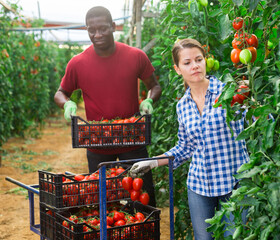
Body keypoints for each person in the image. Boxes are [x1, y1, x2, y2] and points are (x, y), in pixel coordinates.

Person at [129, 38, 248, 239]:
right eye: (187, 63)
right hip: (200, 185)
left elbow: (259, 120)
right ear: (178, 69)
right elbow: (184, 148)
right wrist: (153, 162)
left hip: (235, 182)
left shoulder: (230, 92)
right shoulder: (182, 106)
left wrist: (253, 99)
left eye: (198, 59)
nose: (195, 66)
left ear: (205, 61)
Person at [54, 6, 161, 207]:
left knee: (142, 197)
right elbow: (60, 92)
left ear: (113, 26)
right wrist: (67, 103)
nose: (97, 34)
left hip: (133, 138)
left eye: (102, 28)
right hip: (98, 141)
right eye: (91, 30)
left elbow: (154, 86)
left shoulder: (135, 56)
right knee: (102, 199)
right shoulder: (78, 63)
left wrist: (149, 100)